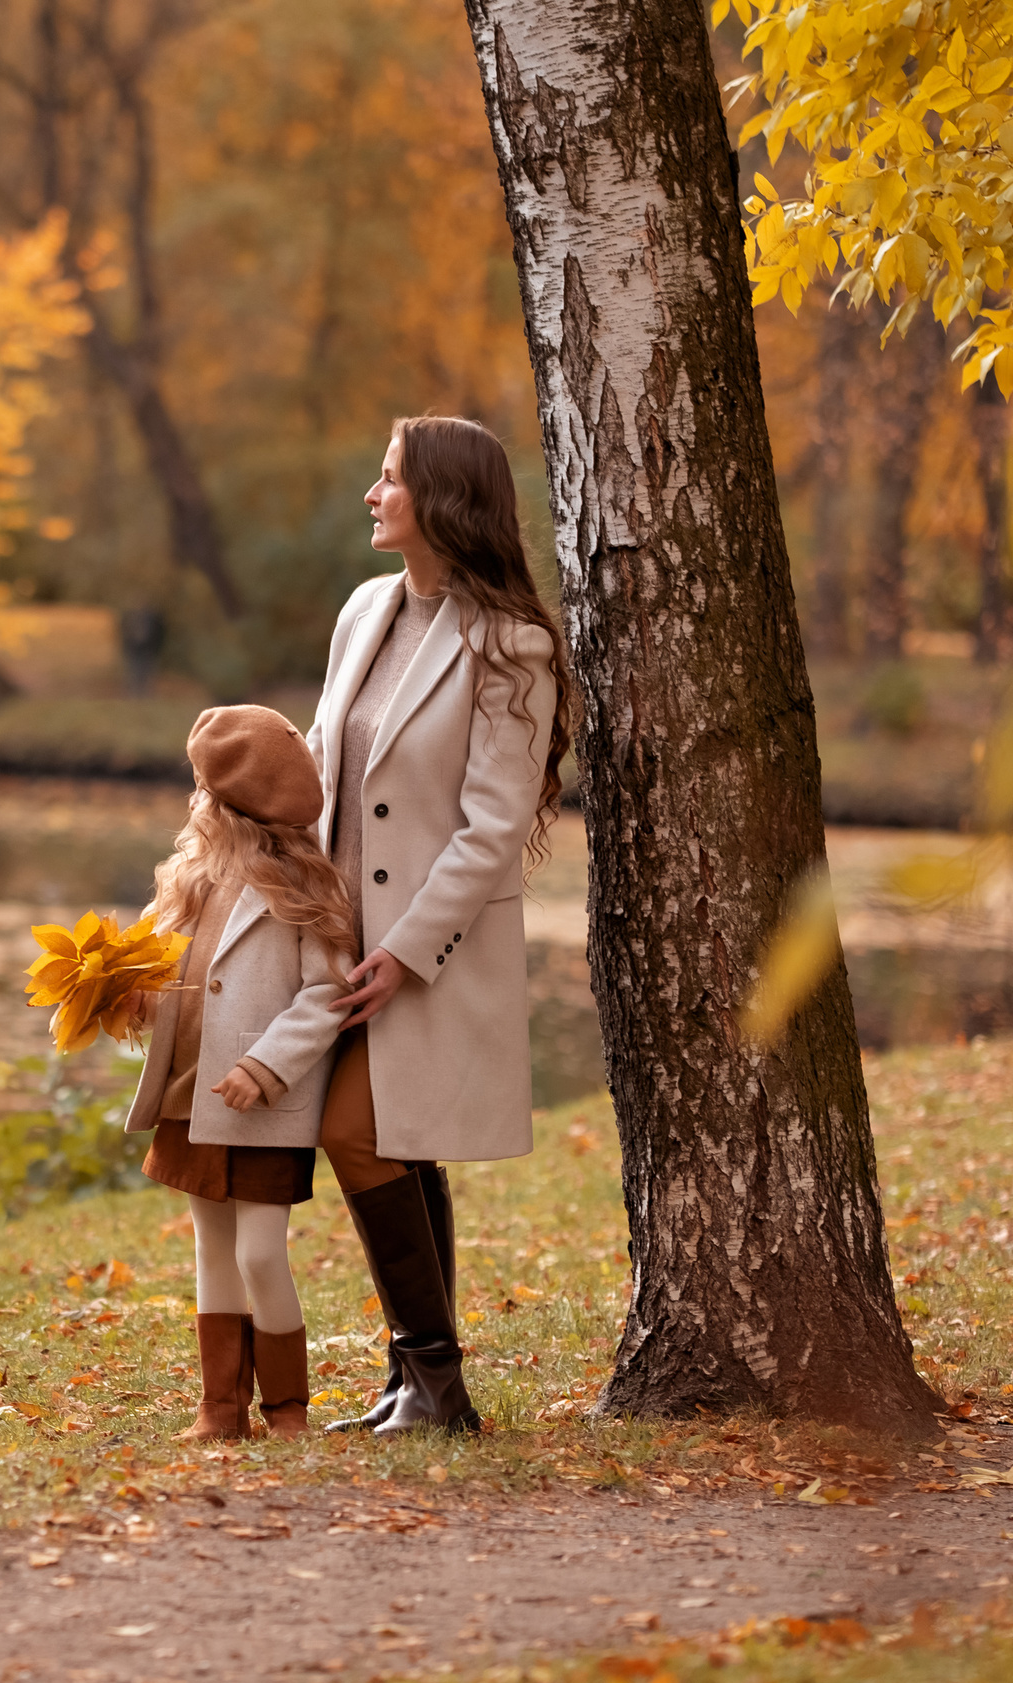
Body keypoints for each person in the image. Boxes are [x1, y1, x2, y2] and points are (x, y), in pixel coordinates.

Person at [305, 415, 576, 1435]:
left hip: (433, 945)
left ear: (442, 502)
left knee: (356, 1131)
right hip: (339, 939)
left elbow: (492, 825)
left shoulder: (512, 645)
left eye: (388, 481)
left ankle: (438, 1383)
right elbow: (329, 763)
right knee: (402, 1145)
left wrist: (406, 952)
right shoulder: (364, 611)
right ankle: (414, 1384)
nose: (372, 496)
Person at [116, 704, 358, 1441]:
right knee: (212, 1250)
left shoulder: (298, 889)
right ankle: (220, 1406)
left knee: (259, 1251)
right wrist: (131, 996)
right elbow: (170, 978)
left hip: (259, 1101)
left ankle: (287, 1406)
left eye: (206, 794)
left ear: (232, 809)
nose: (197, 805)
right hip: (192, 1096)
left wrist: (267, 1063)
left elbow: (329, 993)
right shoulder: (190, 882)